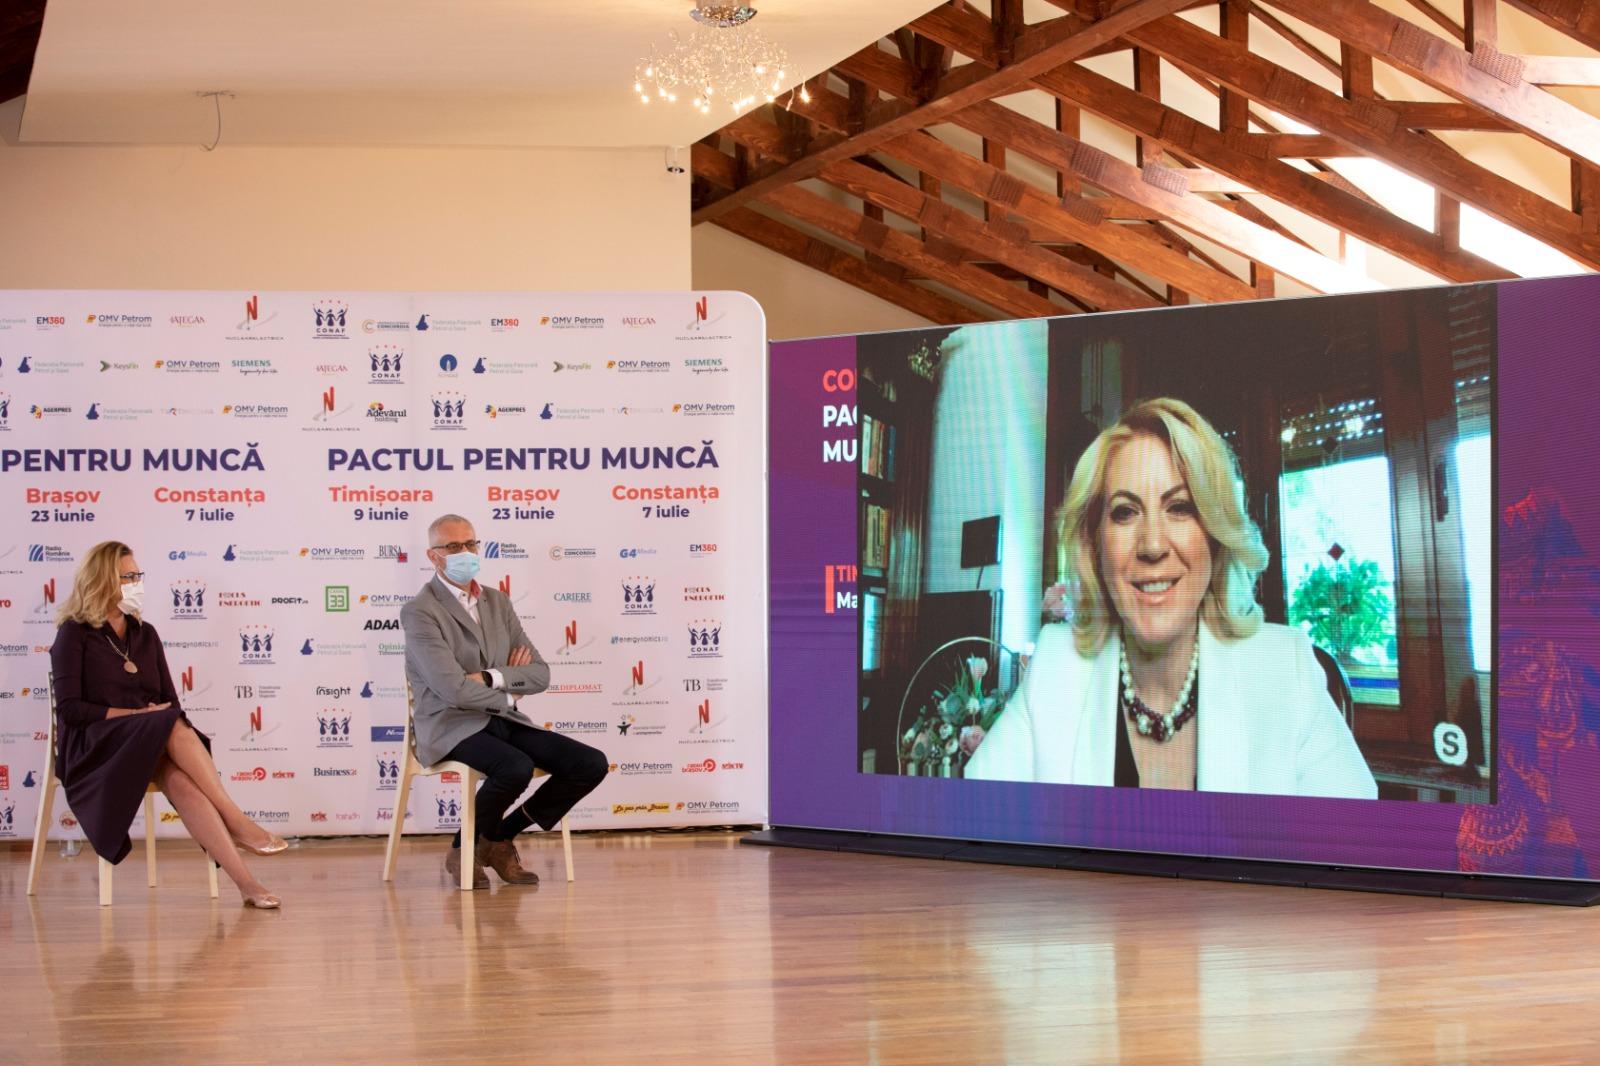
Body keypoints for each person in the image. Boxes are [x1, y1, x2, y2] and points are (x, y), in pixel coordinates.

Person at [966, 398, 1377, 798]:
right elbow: (970, 823)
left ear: (1214, 535)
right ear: (1095, 546)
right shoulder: (1057, 664)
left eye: (1179, 507)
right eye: (1125, 512)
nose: (1153, 545)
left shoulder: (1284, 668)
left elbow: (1355, 838)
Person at [48, 541, 286, 908]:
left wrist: (149, 720)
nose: (137, 583)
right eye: (128, 577)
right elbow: (70, 710)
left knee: (183, 778)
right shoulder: (74, 633)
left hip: (147, 741)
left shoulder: (146, 634)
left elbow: (171, 701)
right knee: (170, 723)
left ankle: (246, 884)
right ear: (101, 581)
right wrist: (135, 717)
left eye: (138, 575)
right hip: (97, 748)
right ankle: (236, 820)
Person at [401, 514, 608, 888]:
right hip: (449, 723)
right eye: (453, 546)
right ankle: (466, 848)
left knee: (589, 763)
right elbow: (451, 689)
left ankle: (495, 839)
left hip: (502, 719)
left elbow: (540, 674)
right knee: (514, 766)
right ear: (433, 556)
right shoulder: (420, 611)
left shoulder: (496, 601)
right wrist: (510, 691)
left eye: (470, 544)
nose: (465, 552)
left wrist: (491, 677)